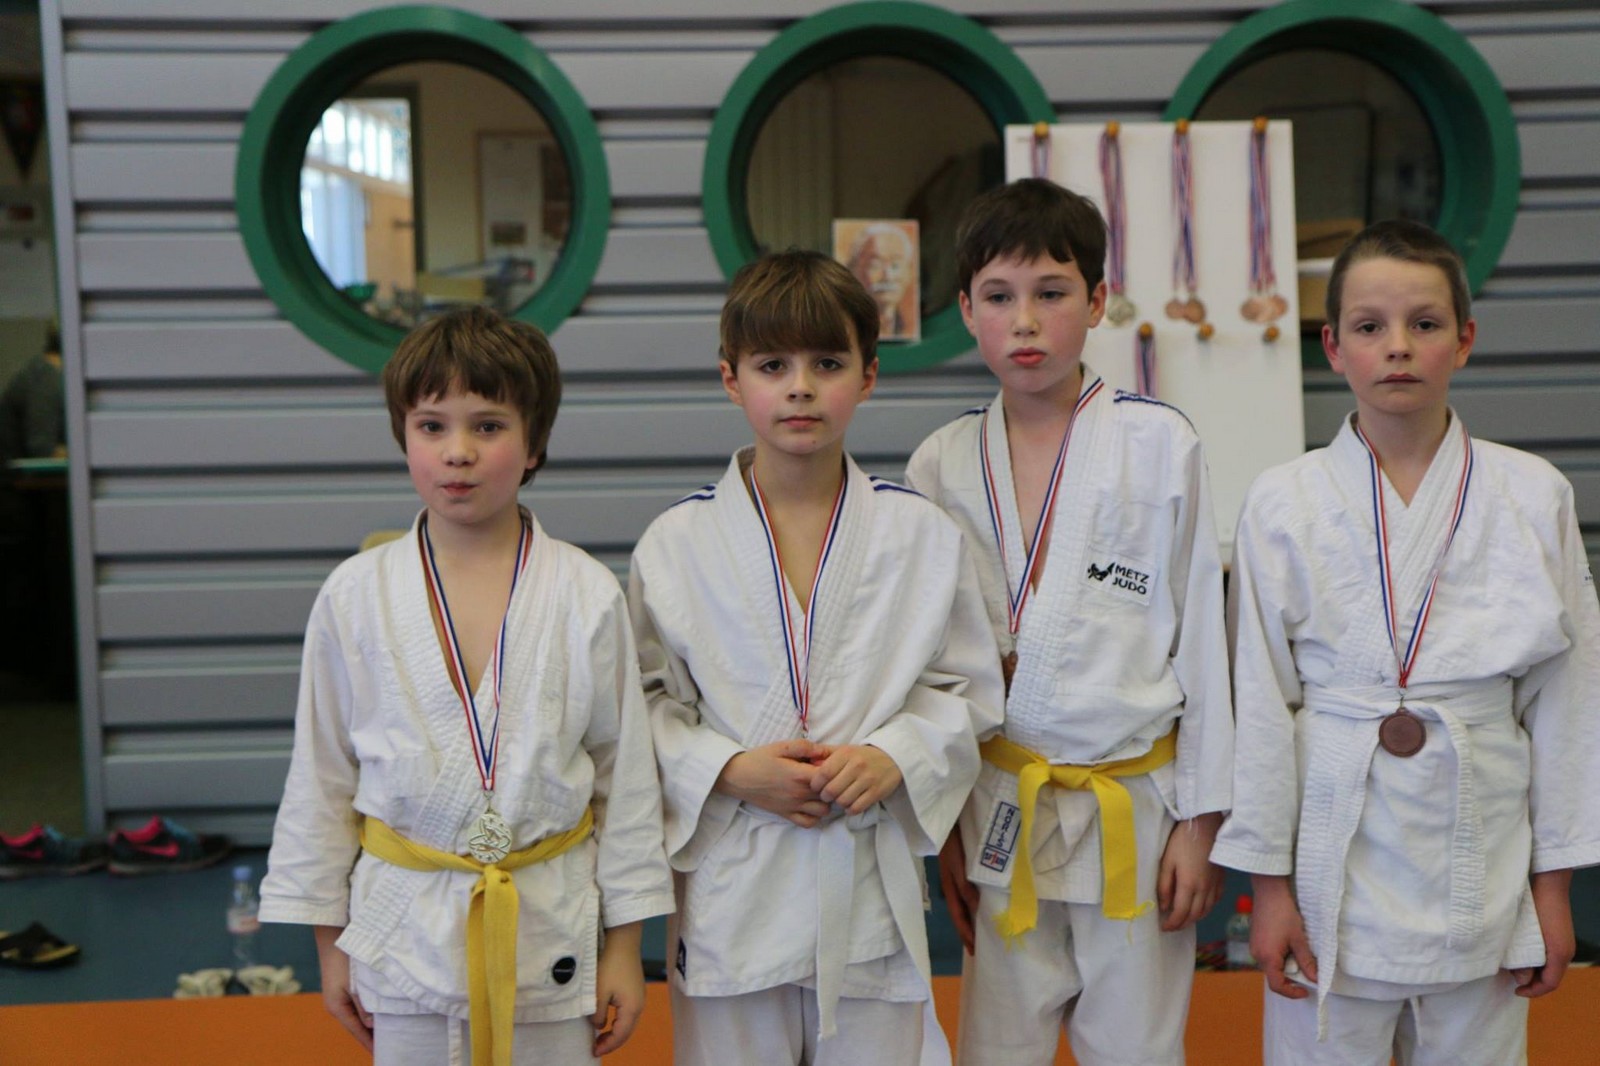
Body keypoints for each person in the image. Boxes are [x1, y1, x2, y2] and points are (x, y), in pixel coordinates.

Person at [1212, 219, 1600, 1064]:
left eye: (1424, 324)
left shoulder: (1533, 493)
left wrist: (1554, 889)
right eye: (1369, 325)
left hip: (1482, 851)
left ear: (1464, 340)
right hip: (1330, 859)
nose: (1397, 346)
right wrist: (1268, 891)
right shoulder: (1282, 500)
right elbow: (1258, 703)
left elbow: (1569, 704)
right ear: (1333, 346)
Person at [259, 306, 673, 1066]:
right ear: (403, 435)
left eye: (488, 426)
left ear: (535, 442)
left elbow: (626, 780)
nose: (458, 452)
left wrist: (624, 946)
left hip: (551, 927)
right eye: (432, 426)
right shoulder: (355, 595)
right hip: (400, 932)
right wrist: (330, 943)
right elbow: (322, 775)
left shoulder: (585, 591)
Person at [628, 249, 1004, 1065]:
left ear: (868, 376)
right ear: (731, 379)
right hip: (735, 891)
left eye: (827, 363)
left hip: (864, 883)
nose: (800, 387)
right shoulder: (675, 543)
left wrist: (895, 754)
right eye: (773, 365)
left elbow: (967, 689)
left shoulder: (920, 534)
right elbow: (643, 706)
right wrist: (728, 770)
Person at [904, 178, 1234, 1066]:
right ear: (965, 310)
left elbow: (1206, 643)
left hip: (1137, 807)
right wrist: (946, 827)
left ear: (1096, 302)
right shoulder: (940, 464)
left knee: (1137, 1050)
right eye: (998, 297)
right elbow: (927, 665)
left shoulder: (1160, 444)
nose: (1025, 322)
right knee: (996, 1049)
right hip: (998, 807)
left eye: (1051, 293)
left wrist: (1202, 826)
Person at [846, 223, 917, 341]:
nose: (888, 276)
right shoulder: (848, 328)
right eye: (875, 265)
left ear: (909, 273)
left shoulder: (906, 326)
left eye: (895, 265)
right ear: (854, 271)